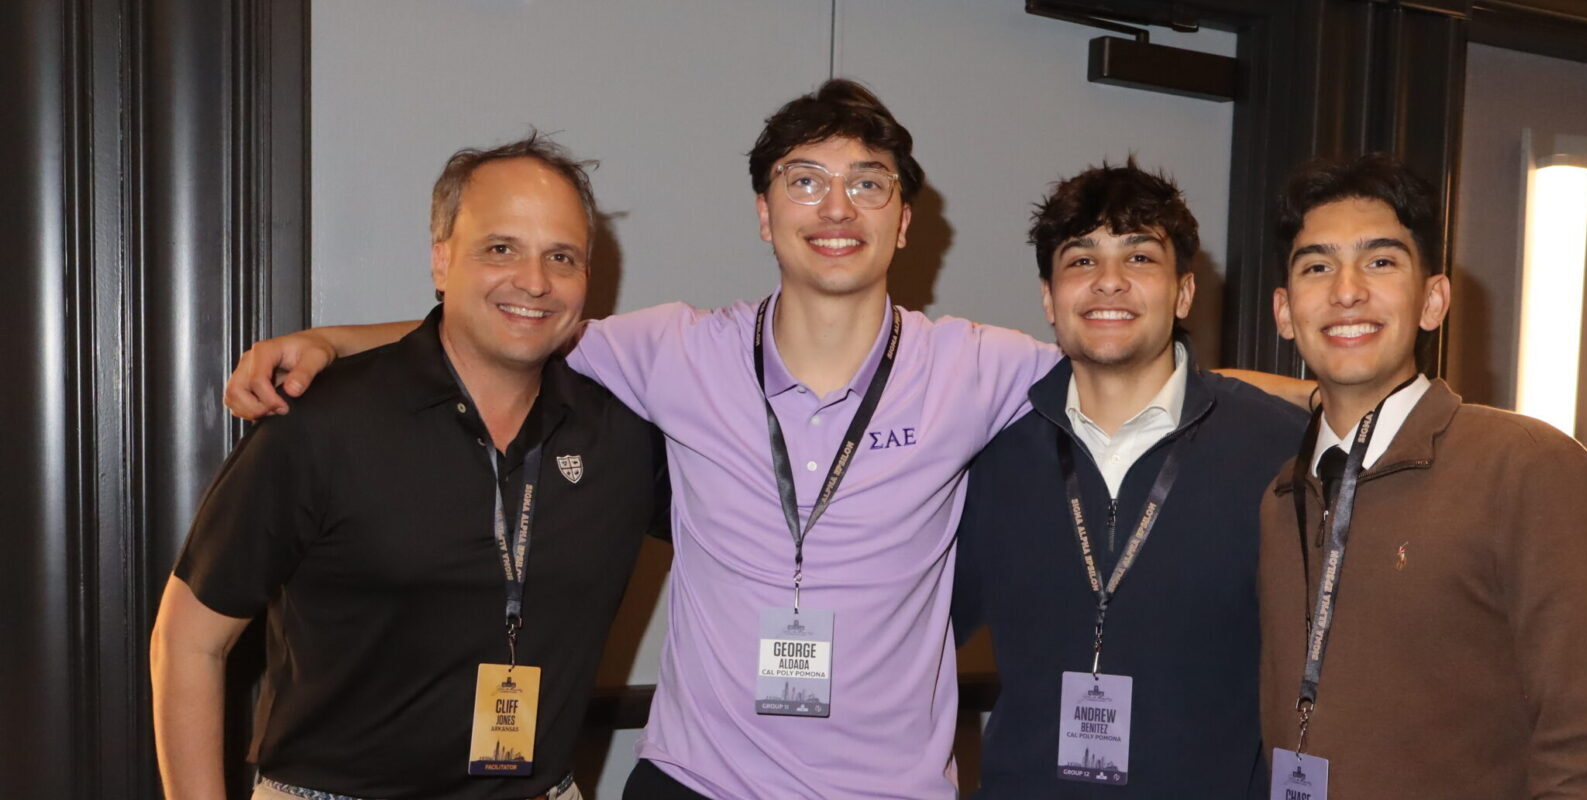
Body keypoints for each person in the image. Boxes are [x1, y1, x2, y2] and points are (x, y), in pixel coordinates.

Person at [221, 81, 1309, 799]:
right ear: (763, 211)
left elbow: (1140, 364)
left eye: (867, 184)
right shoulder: (676, 350)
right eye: (805, 180)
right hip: (696, 782)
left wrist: (1339, 396)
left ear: (902, 220)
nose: (836, 207)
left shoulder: (976, 365)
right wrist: (329, 340)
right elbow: (512, 320)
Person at [150, 133, 667, 800]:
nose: (535, 281)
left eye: (561, 257)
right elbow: (188, 642)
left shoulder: (623, 436)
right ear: (441, 260)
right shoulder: (322, 425)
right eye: (501, 248)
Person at [952, 161, 1304, 798]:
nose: (1109, 281)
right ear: (1049, 297)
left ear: (1184, 293)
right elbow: (913, 630)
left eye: (1139, 257)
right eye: (1081, 260)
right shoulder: (992, 453)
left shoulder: (1278, 449)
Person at [1258, 153, 1587, 799]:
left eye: (1380, 262)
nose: (1347, 291)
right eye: (1317, 267)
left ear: (1433, 300)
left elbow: (1585, 734)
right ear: (1284, 311)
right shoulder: (1283, 496)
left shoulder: (1524, 465)